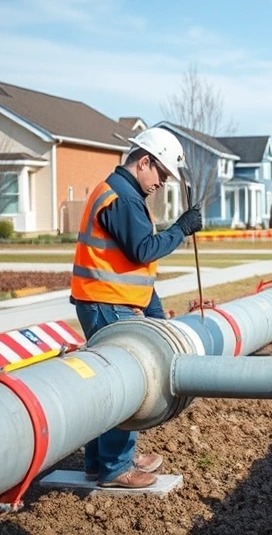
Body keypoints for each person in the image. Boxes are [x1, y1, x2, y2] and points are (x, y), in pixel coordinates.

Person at [69, 125, 204, 488]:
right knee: (126, 380)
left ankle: (101, 462)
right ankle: (116, 467)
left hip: (108, 299)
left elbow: (133, 267)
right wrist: (181, 229)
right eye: (161, 173)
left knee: (109, 379)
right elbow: (143, 250)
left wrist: (155, 312)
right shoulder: (123, 199)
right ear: (144, 162)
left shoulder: (120, 192)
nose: (162, 182)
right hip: (106, 302)